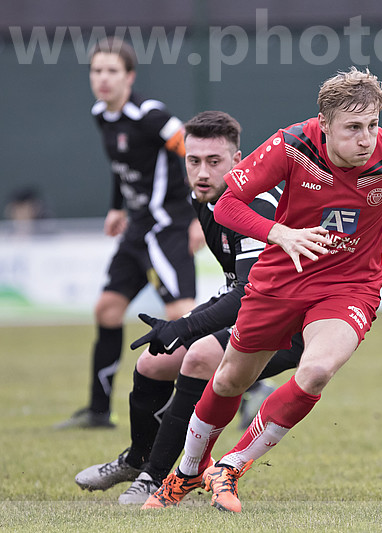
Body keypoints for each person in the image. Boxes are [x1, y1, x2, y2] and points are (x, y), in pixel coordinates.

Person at [145, 67, 382, 512]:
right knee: (230, 379)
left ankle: (231, 466)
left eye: (372, 124)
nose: (366, 139)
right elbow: (227, 205)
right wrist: (279, 233)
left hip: (350, 287)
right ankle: (186, 472)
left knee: (315, 372)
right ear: (325, 125)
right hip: (281, 278)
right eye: (353, 128)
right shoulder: (293, 145)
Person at [73, 111, 304, 504]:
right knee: (153, 362)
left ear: (238, 160)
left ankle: (156, 478)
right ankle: (136, 459)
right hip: (255, 306)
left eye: (214, 161)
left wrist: (184, 326)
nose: (202, 172)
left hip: (292, 322)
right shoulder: (202, 197)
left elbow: (251, 294)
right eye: (193, 161)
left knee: (198, 356)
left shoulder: (255, 205)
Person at [57, 38, 203, 429]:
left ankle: (248, 390)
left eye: (112, 71)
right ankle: (98, 412)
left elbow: (196, 154)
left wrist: (199, 215)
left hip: (166, 226)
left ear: (129, 77)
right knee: (106, 309)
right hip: (136, 228)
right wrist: (117, 207)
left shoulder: (151, 115)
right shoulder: (102, 114)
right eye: (97, 71)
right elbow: (121, 167)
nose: (103, 78)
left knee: (183, 315)